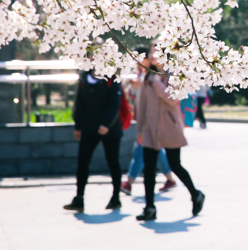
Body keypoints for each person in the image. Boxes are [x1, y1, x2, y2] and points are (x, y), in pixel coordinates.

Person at [135, 46, 205, 221]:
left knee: (175, 165)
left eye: (155, 52)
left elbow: (173, 98)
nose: (152, 56)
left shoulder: (173, 75)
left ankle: (195, 194)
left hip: (170, 126)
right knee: (149, 169)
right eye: (151, 53)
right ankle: (149, 207)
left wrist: (157, 83)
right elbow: (142, 103)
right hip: (150, 128)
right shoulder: (147, 76)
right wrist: (140, 129)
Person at [63, 69, 124, 212]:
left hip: (110, 129)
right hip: (89, 128)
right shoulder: (85, 79)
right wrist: (78, 126)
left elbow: (115, 104)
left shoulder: (111, 77)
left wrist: (107, 124)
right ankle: (79, 198)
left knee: (113, 162)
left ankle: (116, 197)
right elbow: (79, 104)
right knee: (83, 162)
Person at [121, 46, 177, 196]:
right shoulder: (143, 74)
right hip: (144, 118)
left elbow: (169, 98)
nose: (138, 62)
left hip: (153, 120)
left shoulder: (154, 75)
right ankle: (169, 179)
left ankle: (129, 182)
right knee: (153, 151)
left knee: (141, 150)